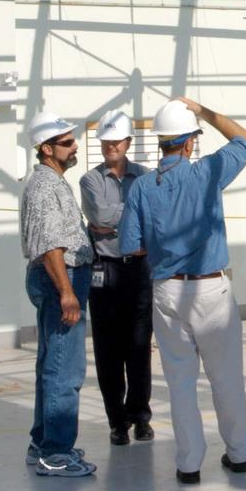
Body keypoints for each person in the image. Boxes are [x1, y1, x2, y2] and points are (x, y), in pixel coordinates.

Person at [120, 96, 246, 485]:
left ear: (160, 142)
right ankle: (239, 455)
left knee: (180, 383)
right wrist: (204, 111)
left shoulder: (142, 187)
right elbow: (245, 138)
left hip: (167, 291)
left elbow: (131, 245)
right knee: (226, 377)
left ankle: (189, 464)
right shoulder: (209, 172)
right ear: (190, 142)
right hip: (211, 288)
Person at [20, 110, 96, 477]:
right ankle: (56, 453)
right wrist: (67, 293)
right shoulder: (45, 186)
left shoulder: (50, 181)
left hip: (58, 278)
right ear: (46, 148)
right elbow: (51, 245)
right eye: (66, 142)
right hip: (60, 279)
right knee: (65, 369)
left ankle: (43, 441)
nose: (74, 145)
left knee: (51, 364)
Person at [79, 109, 154, 447]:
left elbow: (151, 215)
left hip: (139, 269)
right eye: (106, 141)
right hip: (105, 272)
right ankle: (117, 423)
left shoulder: (146, 177)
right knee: (109, 352)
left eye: (116, 140)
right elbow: (99, 214)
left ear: (127, 142)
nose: (110, 145)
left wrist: (115, 224)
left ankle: (140, 417)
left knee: (139, 348)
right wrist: (136, 216)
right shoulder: (90, 180)